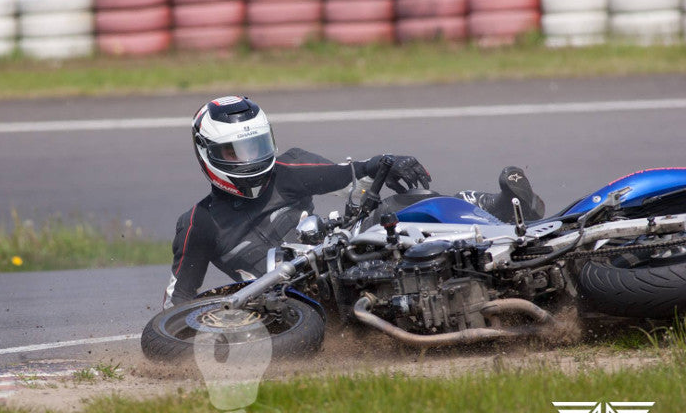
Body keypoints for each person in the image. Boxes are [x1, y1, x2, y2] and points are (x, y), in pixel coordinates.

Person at [163, 95, 544, 308]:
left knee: (397, 207)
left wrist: (387, 162)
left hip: (342, 254)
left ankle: (497, 211)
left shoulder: (288, 167)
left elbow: (354, 173)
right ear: (207, 154)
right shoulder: (199, 222)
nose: (251, 160)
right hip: (287, 298)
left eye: (257, 146)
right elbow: (175, 307)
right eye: (236, 153)